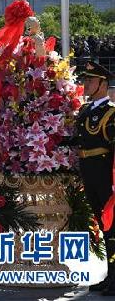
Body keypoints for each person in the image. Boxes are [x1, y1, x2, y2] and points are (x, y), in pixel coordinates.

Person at [75, 61, 115, 294]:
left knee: (113, 227)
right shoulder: (85, 110)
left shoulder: (111, 112)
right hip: (89, 174)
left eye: (90, 80)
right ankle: (110, 275)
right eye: (84, 80)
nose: (85, 84)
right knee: (103, 225)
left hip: (104, 175)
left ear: (102, 83)